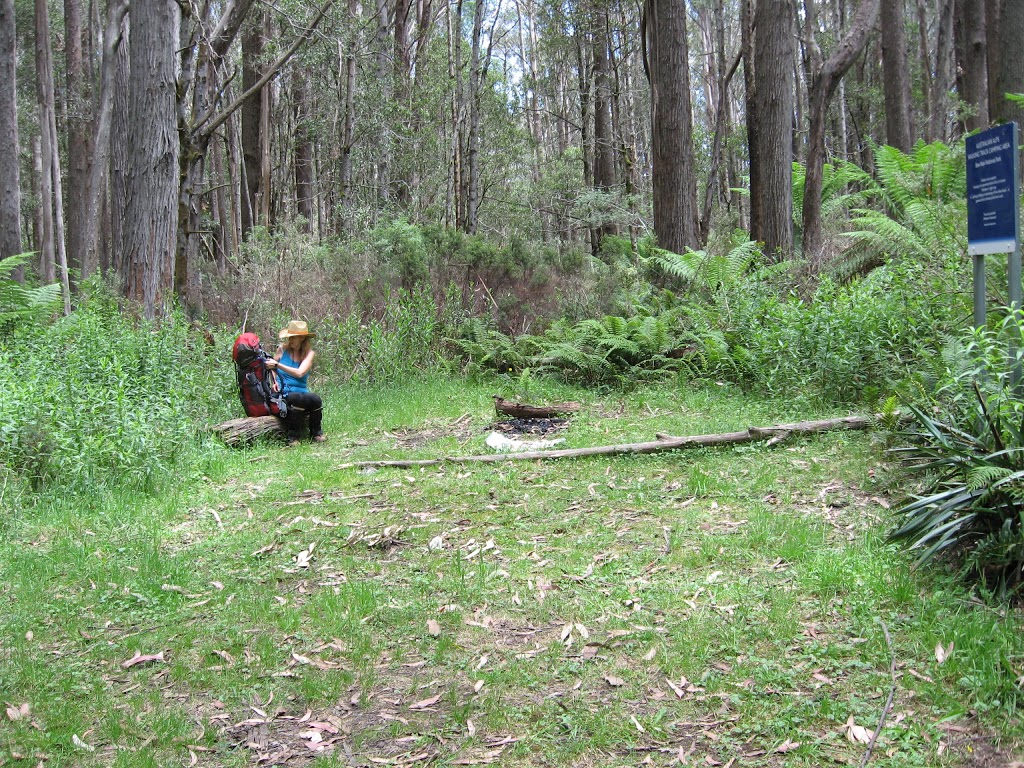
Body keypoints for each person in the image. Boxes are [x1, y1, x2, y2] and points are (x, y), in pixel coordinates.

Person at [265, 320, 325, 446]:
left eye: (293, 338)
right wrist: (274, 381)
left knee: (315, 399)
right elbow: (272, 368)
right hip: (285, 392)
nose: (290, 340)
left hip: (301, 391)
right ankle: (294, 436)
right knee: (297, 398)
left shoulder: (309, 354)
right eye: (289, 337)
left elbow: (300, 373)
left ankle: (316, 433)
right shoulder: (282, 349)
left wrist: (278, 365)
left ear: (302, 338)